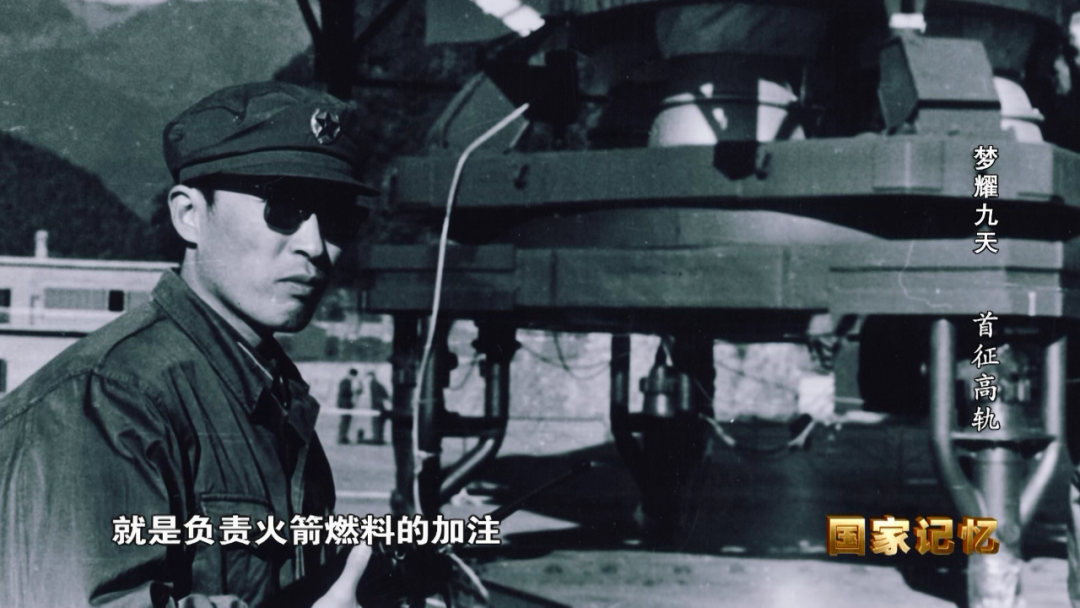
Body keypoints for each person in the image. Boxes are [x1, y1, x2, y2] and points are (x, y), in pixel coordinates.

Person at [0, 82, 379, 607]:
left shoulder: (268, 394)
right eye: (285, 206)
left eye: (337, 216)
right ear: (189, 215)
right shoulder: (108, 399)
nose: (315, 246)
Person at [338, 368, 361, 444]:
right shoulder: (345, 381)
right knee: (344, 421)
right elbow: (344, 392)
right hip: (344, 404)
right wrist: (353, 390)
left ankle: (344, 437)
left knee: (347, 421)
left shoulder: (349, 382)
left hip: (348, 404)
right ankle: (341, 437)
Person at [366, 371, 390, 445]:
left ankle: (377, 439)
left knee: (376, 423)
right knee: (379, 424)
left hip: (377, 407)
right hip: (380, 407)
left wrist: (377, 404)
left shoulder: (373, 384)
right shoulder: (377, 384)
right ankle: (379, 438)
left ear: (371, 376)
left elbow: (376, 397)